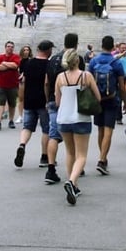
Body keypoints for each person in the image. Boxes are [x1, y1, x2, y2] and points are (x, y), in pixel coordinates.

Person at [55, 48, 101, 205]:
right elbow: (98, 96)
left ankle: (74, 185)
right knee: (81, 155)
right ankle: (72, 181)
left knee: (70, 152)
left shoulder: (60, 77)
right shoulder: (86, 76)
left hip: (64, 118)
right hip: (81, 117)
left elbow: (57, 101)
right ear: (78, 61)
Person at [43, 32, 83, 185]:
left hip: (54, 100)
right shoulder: (76, 59)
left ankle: (51, 168)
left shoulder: (53, 59)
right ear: (76, 43)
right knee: (75, 136)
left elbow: (47, 82)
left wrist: (48, 100)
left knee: (54, 135)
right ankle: (76, 167)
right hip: (72, 103)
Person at [87, 35, 126, 176]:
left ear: (102, 45)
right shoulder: (116, 63)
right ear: (113, 47)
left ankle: (102, 157)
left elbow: (89, 81)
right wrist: (125, 102)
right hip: (111, 99)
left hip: (97, 100)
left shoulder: (93, 61)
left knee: (100, 130)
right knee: (109, 130)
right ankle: (102, 159)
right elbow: (122, 86)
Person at [15, 39, 53, 169]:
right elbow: (47, 83)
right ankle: (44, 156)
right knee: (46, 129)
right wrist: (48, 100)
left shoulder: (28, 63)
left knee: (27, 127)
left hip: (29, 99)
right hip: (42, 101)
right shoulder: (49, 65)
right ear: (48, 50)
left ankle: (22, 144)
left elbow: (23, 80)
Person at [0, 41, 21, 130]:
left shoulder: (16, 57)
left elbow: (15, 66)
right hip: (1, 84)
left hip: (13, 85)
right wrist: (8, 65)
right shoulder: (0, 57)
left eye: (12, 47)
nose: (10, 48)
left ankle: (11, 120)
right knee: (1, 102)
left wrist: (4, 63)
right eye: (8, 46)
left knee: (12, 103)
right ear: (5, 47)